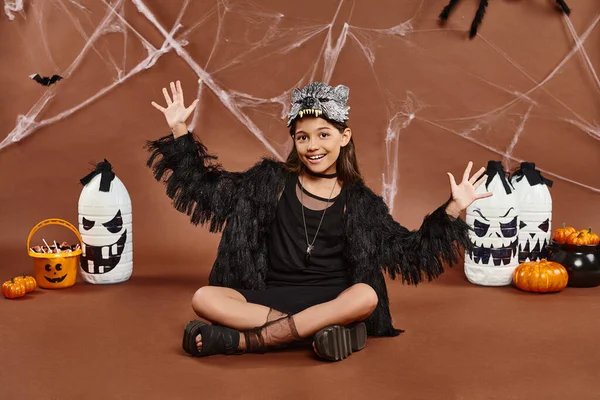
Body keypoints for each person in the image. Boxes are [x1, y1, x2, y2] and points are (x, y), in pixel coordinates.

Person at [146, 80, 492, 361]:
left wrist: (453, 209)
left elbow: (410, 252)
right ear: (295, 142)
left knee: (365, 296)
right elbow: (205, 191)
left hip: (331, 300)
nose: (313, 145)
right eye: (303, 137)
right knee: (205, 297)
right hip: (269, 298)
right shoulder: (267, 182)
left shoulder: (360, 203)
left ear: (344, 138)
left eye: (324, 134)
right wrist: (179, 129)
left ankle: (244, 343)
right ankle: (319, 333)